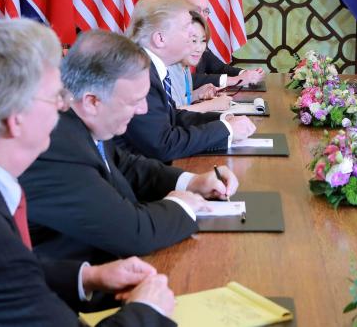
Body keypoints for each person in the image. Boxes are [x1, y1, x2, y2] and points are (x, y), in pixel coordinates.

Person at [0, 19, 175, 326]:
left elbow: (9, 275)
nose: (65, 106)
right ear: (16, 118)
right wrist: (147, 311)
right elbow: (0, 265)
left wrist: (88, 276)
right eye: (57, 97)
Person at [21, 30, 240, 265]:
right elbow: (134, 233)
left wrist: (193, 182)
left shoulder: (83, 123)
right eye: (134, 101)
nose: (143, 110)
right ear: (92, 101)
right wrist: (182, 205)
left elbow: (125, 166)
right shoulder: (58, 148)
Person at [120, 0, 256, 162]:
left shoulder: (148, 66)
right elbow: (163, 144)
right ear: (160, 38)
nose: (193, 36)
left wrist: (223, 119)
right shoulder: (137, 74)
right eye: (186, 28)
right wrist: (226, 129)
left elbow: (173, 117)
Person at [178, 0, 265, 88]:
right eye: (196, 10)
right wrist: (234, 80)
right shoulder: (172, 43)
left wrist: (247, 74)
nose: (202, 16)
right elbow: (182, 81)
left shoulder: (200, 43)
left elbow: (219, 68)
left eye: (206, 11)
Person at [167, 11, 231, 112]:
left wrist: (197, 94)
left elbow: (181, 102)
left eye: (203, 41)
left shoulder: (185, 67)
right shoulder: (168, 69)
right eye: (193, 41)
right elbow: (173, 114)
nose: (199, 48)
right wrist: (211, 105)